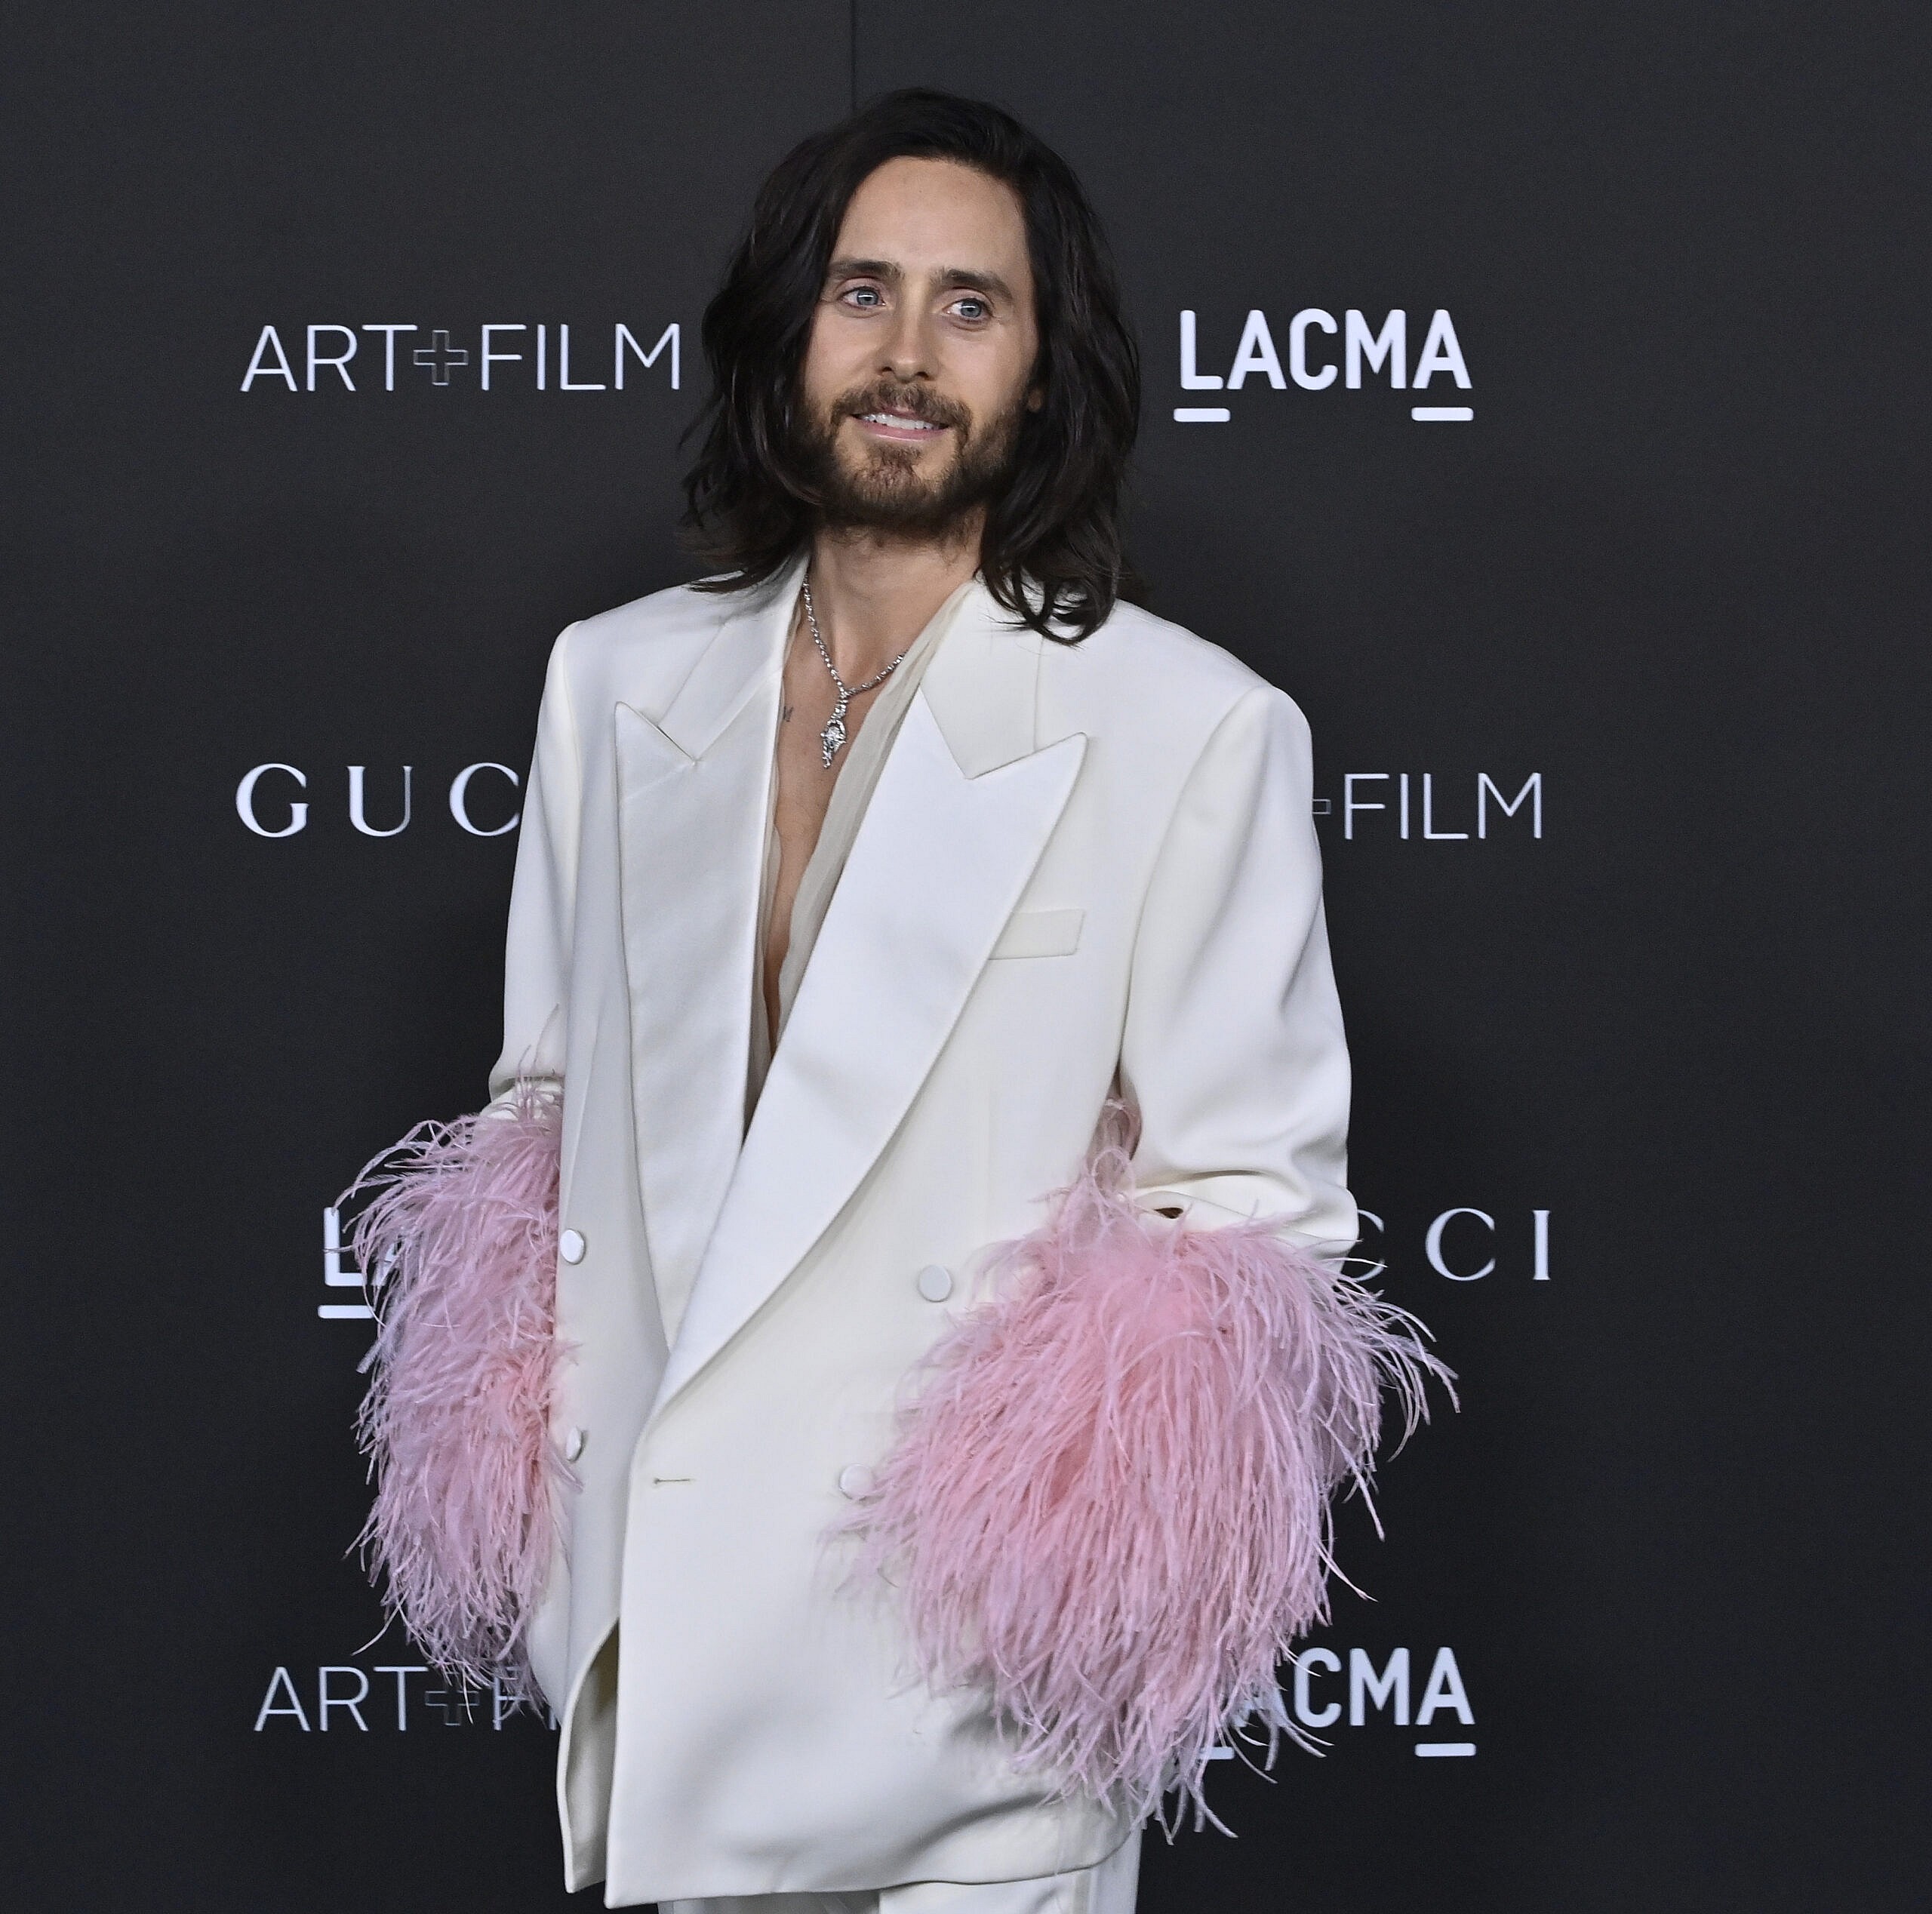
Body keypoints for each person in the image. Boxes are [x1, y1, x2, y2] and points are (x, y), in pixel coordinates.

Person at [344, 88, 1451, 1914]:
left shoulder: (1185, 727)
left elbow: (1246, 1208)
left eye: (970, 303)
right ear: (789, 328)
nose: (907, 355)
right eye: (863, 291)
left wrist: (1034, 1614)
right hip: (664, 1665)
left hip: (965, 1733)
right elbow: (546, 1127)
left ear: (1041, 363)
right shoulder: (612, 683)